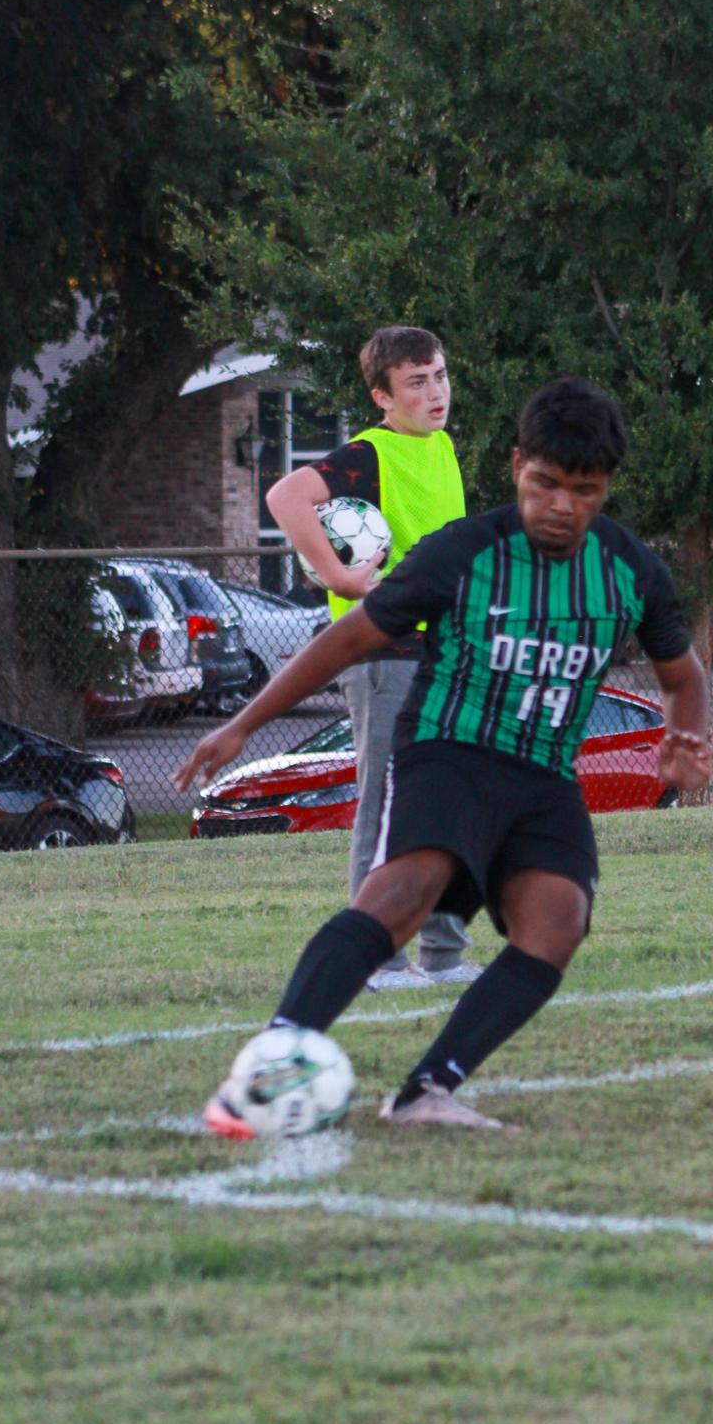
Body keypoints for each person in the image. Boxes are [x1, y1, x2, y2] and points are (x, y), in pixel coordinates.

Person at [176, 377, 713, 1133]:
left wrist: (684, 737)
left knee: (559, 921)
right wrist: (241, 723)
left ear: (606, 488)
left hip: (544, 773)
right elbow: (345, 638)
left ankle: (427, 1089)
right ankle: (274, 1058)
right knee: (404, 890)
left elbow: (681, 674)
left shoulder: (630, 570)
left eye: (584, 491)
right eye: (545, 483)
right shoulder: (463, 552)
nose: (562, 505)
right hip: (448, 750)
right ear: (517, 463)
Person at [265, 325, 475, 990]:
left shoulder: (441, 448)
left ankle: (442, 955)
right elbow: (285, 497)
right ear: (383, 396)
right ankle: (377, 957)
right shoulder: (369, 453)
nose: (434, 391)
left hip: (446, 654)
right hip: (384, 653)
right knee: (387, 804)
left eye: (439, 375)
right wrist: (341, 576)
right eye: (416, 381)